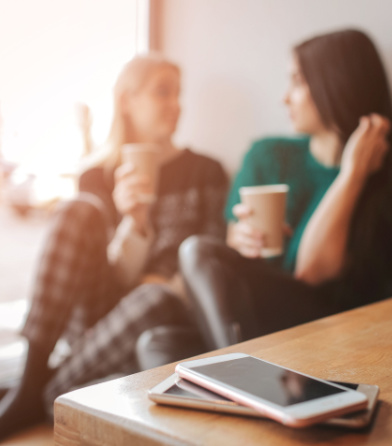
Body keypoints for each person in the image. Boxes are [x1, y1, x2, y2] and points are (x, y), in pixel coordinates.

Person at [0, 54, 227, 439]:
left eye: (178, 94)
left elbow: (206, 261)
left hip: (164, 303)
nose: (175, 105)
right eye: (162, 93)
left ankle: (39, 394)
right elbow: (105, 275)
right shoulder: (97, 174)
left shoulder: (206, 171)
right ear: (127, 100)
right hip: (101, 308)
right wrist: (133, 222)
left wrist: (160, 283)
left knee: (153, 296)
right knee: (78, 210)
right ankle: (36, 369)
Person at [179, 29, 392, 351]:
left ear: (335, 84)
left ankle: (237, 377)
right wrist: (237, 241)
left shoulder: (384, 181)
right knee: (157, 341)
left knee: (197, 249)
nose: (285, 97)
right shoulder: (267, 156)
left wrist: (351, 176)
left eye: (297, 82)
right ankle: (241, 380)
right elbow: (232, 277)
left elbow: (311, 273)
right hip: (261, 328)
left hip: (334, 336)